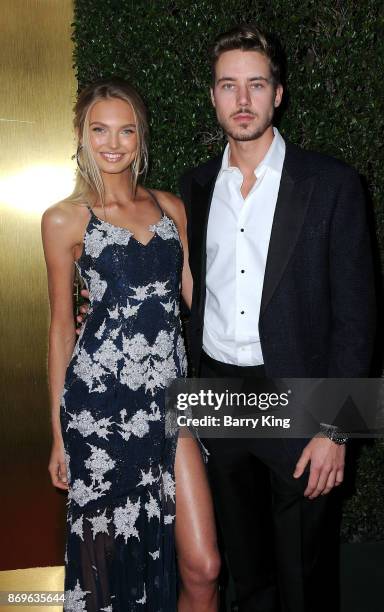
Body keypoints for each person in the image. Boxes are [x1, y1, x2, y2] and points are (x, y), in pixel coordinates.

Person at [179, 25, 376, 612]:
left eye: (256, 85)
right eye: (229, 85)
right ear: (213, 95)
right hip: (215, 394)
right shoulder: (193, 187)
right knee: (246, 575)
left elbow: (359, 318)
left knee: (304, 579)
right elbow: (180, 286)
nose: (242, 100)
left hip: (299, 400)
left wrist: (337, 427)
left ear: (278, 94)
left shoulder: (332, 185)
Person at [42, 78, 220, 612]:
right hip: (98, 414)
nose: (113, 143)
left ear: (142, 137)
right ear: (81, 134)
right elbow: (59, 331)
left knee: (205, 566)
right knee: (107, 581)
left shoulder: (172, 208)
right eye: (100, 129)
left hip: (171, 407)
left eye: (126, 130)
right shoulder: (63, 219)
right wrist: (57, 434)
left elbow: (199, 301)